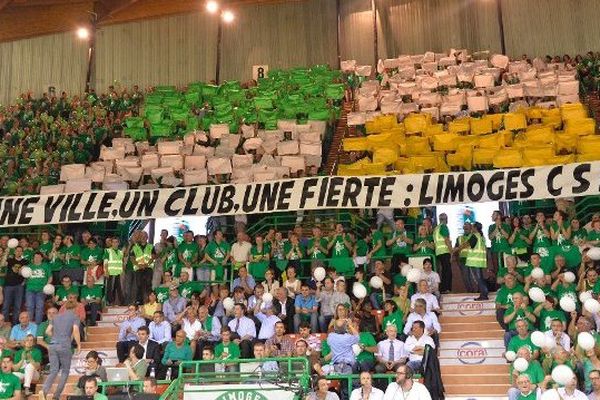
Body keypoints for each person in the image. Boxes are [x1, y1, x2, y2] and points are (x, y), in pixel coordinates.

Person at [41, 299, 81, 400]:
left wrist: (56, 337)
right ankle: (56, 396)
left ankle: (44, 391)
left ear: (65, 307)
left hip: (53, 345)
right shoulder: (75, 317)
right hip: (64, 345)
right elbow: (75, 331)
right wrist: (79, 345)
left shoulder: (56, 317)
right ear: (76, 308)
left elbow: (47, 331)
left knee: (53, 371)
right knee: (65, 371)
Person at [25, 252, 51, 324]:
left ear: (42, 258)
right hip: (30, 289)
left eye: (38, 257)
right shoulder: (29, 266)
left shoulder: (46, 266)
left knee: (40, 307)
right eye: (35, 257)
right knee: (29, 307)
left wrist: (47, 286)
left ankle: (37, 325)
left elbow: (50, 277)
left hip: (41, 290)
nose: (37, 258)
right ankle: (29, 324)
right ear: (33, 258)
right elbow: (24, 275)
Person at [3, 246, 26, 325]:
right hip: (8, 285)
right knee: (6, 305)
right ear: (14, 252)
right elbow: (2, 264)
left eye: (20, 251)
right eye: (17, 251)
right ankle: (5, 323)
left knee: (18, 306)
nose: (18, 252)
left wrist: (24, 281)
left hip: (19, 286)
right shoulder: (10, 260)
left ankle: (15, 324)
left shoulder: (25, 262)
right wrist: (6, 252)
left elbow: (28, 273)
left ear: (22, 252)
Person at [131, 231, 156, 305]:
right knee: (138, 284)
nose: (143, 238)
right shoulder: (135, 247)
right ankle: (139, 301)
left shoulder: (151, 246)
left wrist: (147, 264)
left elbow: (153, 256)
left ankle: (150, 300)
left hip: (148, 268)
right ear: (140, 237)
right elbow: (132, 258)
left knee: (148, 284)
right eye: (142, 236)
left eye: (145, 236)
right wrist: (139, 265)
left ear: (147, 237)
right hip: (138, 268)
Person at [433, 213, 452, 293]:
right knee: (447, 271)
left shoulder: (436, 228)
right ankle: (446, 288)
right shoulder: (443, 227)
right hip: (444, 251)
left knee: (443, 271)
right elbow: (446, 240)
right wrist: (451, 250)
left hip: (438, 252)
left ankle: (443, 288)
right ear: (446, 219)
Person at [104, 236, 124, 306]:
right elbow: (105, 262)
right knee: (110, 288)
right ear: (111, 243)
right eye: (113, 242)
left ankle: (120, 303)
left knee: (119, 289)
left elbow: (121, 263)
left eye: (116, 242)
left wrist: (122, 272)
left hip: (119, 273)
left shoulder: (121, 252)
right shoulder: (107, 251)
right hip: (111, 273)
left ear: (118, 243)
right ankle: (109, 302)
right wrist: (106, 271)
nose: (115, 243)